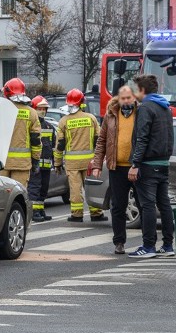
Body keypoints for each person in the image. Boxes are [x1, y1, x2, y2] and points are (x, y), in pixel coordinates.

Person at [127, 74, 175, 258]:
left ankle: (148, 247)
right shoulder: (165, 107)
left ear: (142, 90)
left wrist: (135, 164)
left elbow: (142, 138)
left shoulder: (146, 108)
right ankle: (168, 246)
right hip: (163, 163)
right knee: (164, 205)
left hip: (147, 164)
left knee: (147, 206)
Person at [91, 85, 138, 254]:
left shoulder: (141, 113)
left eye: (129, 98)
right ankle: (119, 242)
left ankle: (148, 242)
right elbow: (101, 141)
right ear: (118, 99)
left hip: (137, 167)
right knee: (118, 206)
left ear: (134, 98)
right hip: (116, 167)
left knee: (143, 204)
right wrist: (97, 164)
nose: (126, 101)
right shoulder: (111, 115)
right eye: (123, 98)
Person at [54, 89, 105, 222]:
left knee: (75, 189)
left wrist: (57, 163)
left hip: (72, 162)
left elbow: (60, 144)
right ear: (82, 102)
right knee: (91, 186)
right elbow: (99, 141)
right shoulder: (91, 118)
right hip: (90, 161)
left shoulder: (64, 121)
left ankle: (77, 215)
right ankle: (96, 213)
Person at [1, 78, 41, 188]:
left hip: (1, 162)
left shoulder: (0, 109)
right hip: (22, 163)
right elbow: (36, 140)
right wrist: (36, 160)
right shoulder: (31, 113)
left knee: (1, 195)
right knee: (19, 195)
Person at [29, 96, 56, 222]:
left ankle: (40, 210)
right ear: (34, 109)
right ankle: (34, 212)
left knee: (44, 188)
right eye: (40, 108)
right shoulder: (32, 125)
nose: (42, 111)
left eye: (44, 108)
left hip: (46, 165)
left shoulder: (50, 127)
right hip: (35, 164)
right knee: (35, 187)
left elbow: (54, 147)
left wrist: (55, 163)